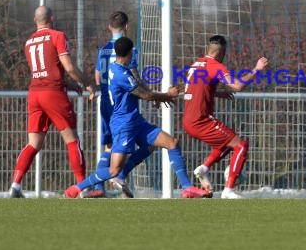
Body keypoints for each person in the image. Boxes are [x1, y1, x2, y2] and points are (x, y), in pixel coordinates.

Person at [64, 37, 210, 198]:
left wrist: (158, 97)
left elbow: (142, 90)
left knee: (171, 143)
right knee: (113, 169)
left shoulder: (117, 67)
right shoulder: (121, 74)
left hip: (135, 121)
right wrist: (167, 95)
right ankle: (77, 188)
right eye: (132, 53)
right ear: (128, 54)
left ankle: (187, 188)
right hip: (124, 125)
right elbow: (144, 94)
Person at [9, 5, 96, 198]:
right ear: (52, 18)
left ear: (35, 20)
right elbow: (69, 67)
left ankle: (15, 184)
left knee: (33, 143)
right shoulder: (57, 36)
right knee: (72, 140)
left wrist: (68, 85)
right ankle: (82, 187)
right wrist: (87, 83)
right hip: (53, 94)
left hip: (35, 94)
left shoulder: (29, 42)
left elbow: (44, 71)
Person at [183, 35, 268, 199]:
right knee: (241, 146)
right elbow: (237, 85)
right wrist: (257, 69)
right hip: (201, 121)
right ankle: (228, 190)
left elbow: (198, 88)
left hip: (189, 119)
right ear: (222, 52)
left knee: (228, 142)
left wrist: (218, 93)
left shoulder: (196, 64)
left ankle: (204, 169)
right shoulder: (216, 66)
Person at [90, 11, 144, 198]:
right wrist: (148, 93)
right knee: (126, 144)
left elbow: (98, 75)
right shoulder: (129, 49)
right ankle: (117, 178)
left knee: (109, 145)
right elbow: (134, 73)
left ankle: (99, 188)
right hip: (123, 103)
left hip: (106, 100)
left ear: (109, 27)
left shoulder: (104, 48)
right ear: (127, 26)